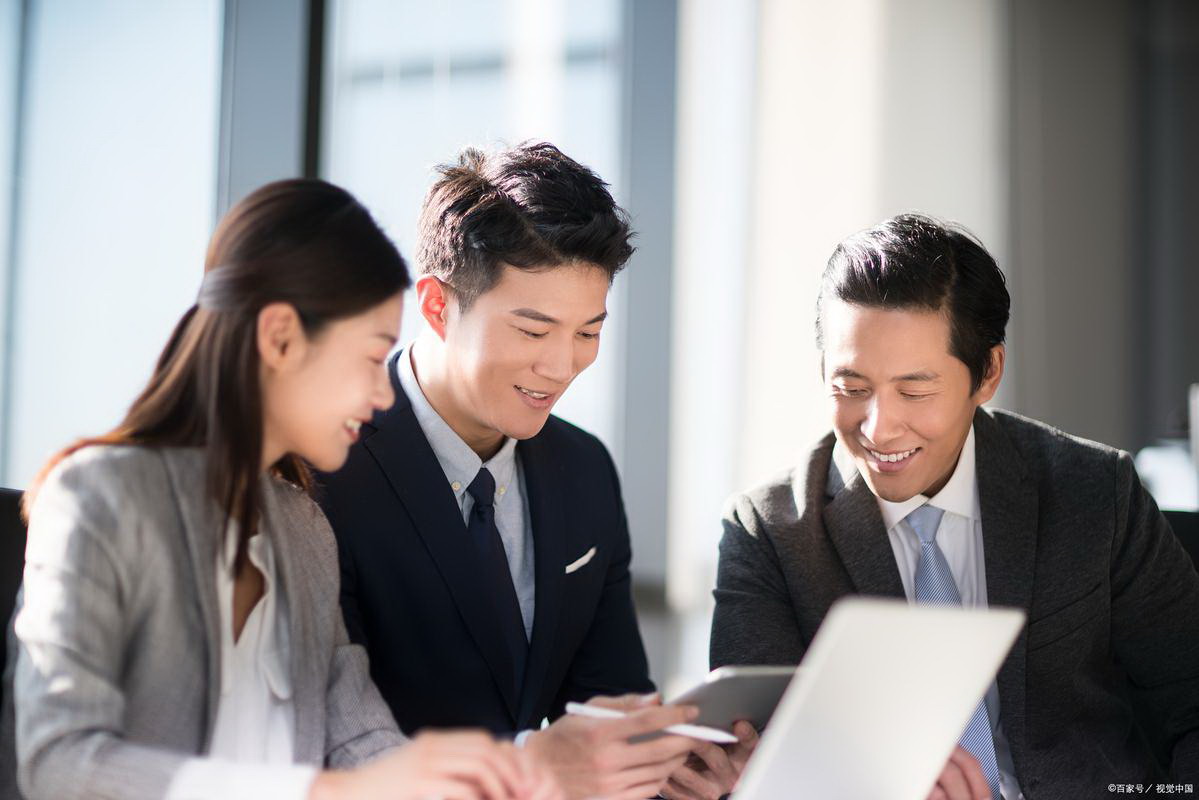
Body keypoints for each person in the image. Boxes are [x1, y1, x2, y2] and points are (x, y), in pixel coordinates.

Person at [5, 179, 560, 800]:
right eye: (369, 358)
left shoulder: (303, 530)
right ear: (279, 338)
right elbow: (59, 761)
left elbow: (360, 743)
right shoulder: (98, 498)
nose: (383, 396)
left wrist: (502, 779)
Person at [696, 213, 1199, 799]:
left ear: (987, 373)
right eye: (851, 388)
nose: (879, 429)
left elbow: (1190, 693)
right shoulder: (771, 531)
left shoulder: (1094, 491)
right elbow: (755, 759)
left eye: (915, 390)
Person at [316, 142, 700, 800]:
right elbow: (328, 734)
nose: (561, 366)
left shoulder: (584, 471)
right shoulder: (327, 466)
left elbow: (610, 705)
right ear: (436, 306)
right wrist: (533, 770)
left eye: (587, 332)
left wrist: (668, 766)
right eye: (532, 329)